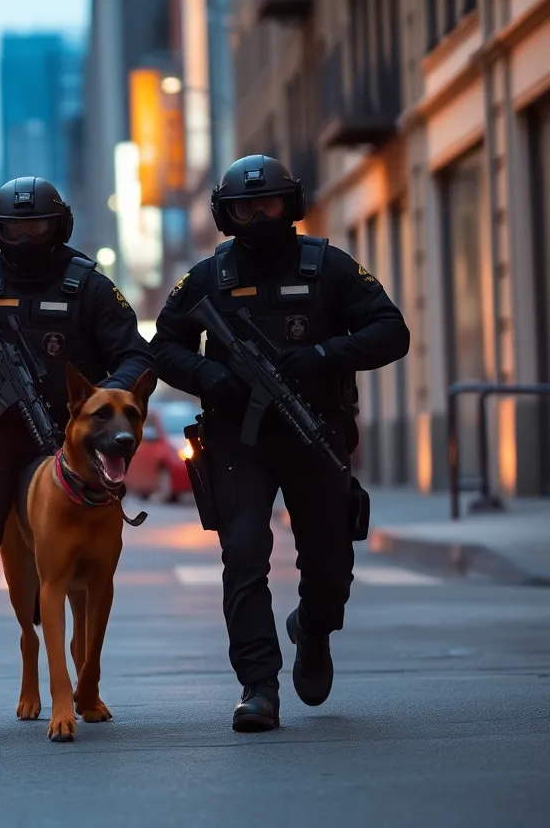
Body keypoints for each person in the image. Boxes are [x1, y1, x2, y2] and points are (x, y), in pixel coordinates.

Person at [149, 155, 410, 732]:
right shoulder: (206, 277)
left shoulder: (329, 267)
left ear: (289, 205)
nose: (257, 214)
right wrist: (210, 376)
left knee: (329, 561)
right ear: (226, 213)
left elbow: (392, 331)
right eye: (245, 206)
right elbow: (163, 346)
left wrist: (320, 355)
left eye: (267, 203)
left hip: (316, 431)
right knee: (243, 554)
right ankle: (258, 687)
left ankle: (313, 629)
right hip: (237, 439)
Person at [0, 176, 154, 735]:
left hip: (69, 447)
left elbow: (136, 356)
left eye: (36, 225)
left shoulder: (88, 286)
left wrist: (99, 403)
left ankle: (83, 683)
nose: (24, 236)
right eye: (13, 227)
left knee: (79, 575)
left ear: (58, 226)